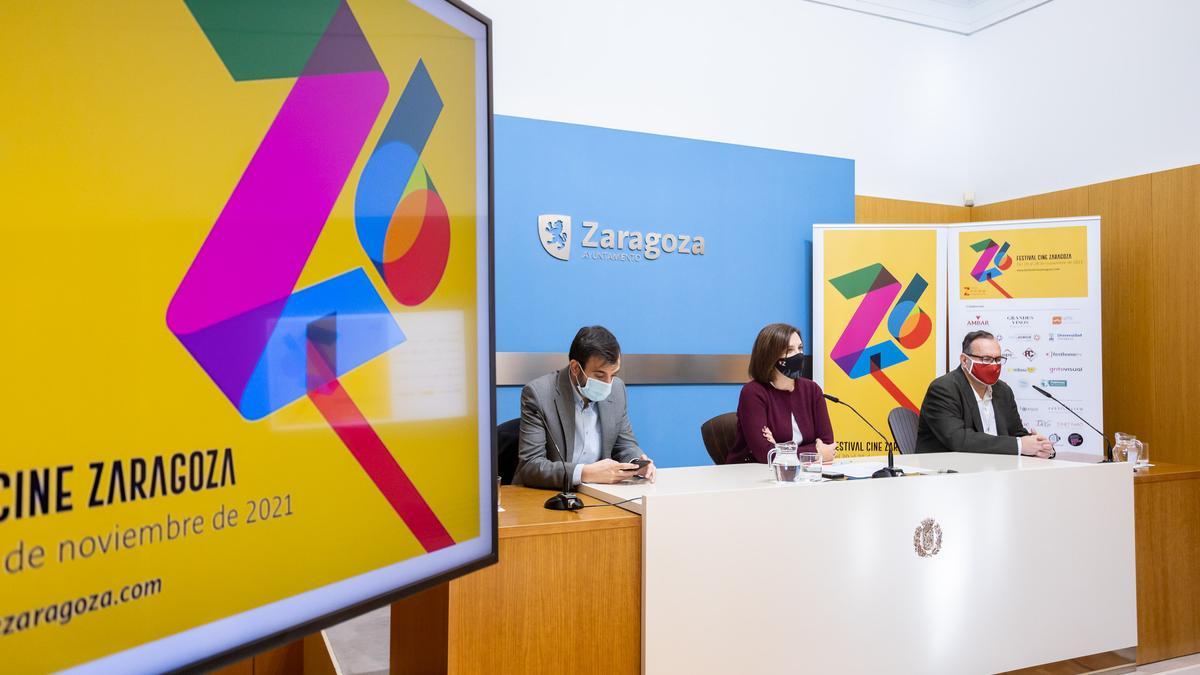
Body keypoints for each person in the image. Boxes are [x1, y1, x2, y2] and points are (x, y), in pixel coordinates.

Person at [514, 326, 656, 489]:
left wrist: (637, 462)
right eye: (600, 375)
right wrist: (585, 473)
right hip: (550, 496)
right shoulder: (538, 394)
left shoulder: (617, 390)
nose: (608, 383)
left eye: (614, 375)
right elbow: (531, 466)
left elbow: (624, 444)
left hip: (600, 493)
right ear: (575, 368)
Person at [915, 330, 1055, 457]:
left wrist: (1040, 447)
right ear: (965, 360)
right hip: (949, 473)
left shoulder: (1003, 390)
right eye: (987, 359)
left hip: (996, 471)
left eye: (998, 359)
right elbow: (958, 440)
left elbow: (1016, 433)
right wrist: (1020, 446)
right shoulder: (944, 389)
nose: (994, 365)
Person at [725, 323, 836, 464]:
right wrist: (816, 452)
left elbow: (827, 444)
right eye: (789, 350)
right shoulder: (753, 393)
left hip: (803, 473)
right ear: (769, 356)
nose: (798, 355)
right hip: (754, 473)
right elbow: (766, 454)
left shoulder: (812, 390)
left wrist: (779, 448)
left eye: (800, 348)